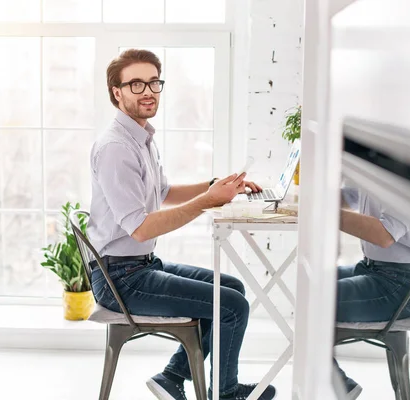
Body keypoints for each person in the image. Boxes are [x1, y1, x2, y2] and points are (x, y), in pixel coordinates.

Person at [87, 49, 276, 400]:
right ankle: (227, 393)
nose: (148, 91)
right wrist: (208, 201)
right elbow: (141, 228)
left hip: (137, 267)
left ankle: (172, 376)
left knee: (232, 286)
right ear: (117, 92)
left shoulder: (141, 139)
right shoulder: (116, 148)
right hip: (121, 280)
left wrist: (215, 186)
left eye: (154, 82)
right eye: (136, 84)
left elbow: (164, 192)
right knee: (231, 306)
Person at [336, 183, 410, 399]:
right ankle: (338, 384)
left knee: (315, 298)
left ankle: (337, 385)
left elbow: (384, 235)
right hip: (373, 268)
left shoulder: (403, 175)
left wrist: (323, 211)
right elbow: (347, 196)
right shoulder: (372, 165)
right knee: (309, 282)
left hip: (400, 285)